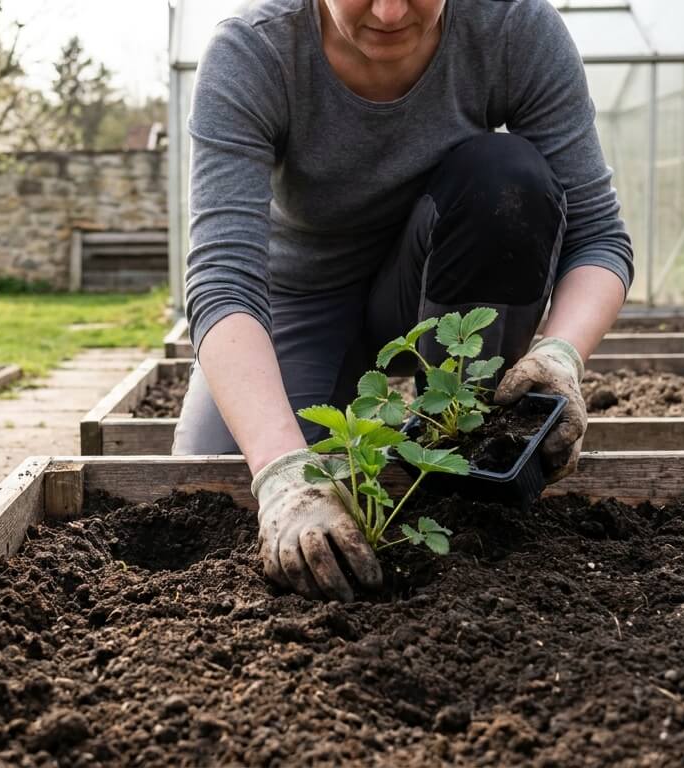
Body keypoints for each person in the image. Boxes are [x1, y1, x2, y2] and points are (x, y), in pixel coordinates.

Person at [174, 0, 634, 602]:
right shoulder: (255, 51)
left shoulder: (511, 28)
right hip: (303, 298)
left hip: (446, 287)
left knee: (508, 179)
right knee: (207, 492)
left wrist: (561, 357)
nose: (390, 13)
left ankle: (464, 450)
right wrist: (283, 474)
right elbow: (222, 279)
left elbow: (598, 235)